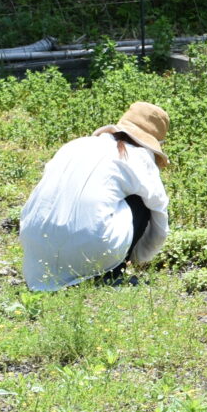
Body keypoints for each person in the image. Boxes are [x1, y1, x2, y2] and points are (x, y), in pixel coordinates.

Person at [20, 101, 170, 291]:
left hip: (35, 245)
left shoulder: (76, 145)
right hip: (90, 249)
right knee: (141, 201)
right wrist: (140, 257)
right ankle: (111, 274)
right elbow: (159, 213)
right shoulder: (139, 156)